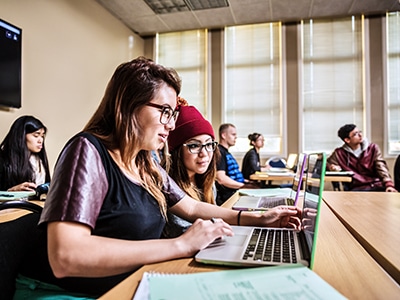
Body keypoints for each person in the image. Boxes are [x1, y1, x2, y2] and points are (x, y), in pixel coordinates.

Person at [14, 57, 301, 299]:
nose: (172, 124)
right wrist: (181, 245)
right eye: (165, 112)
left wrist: (257, 218)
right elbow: (66, 256)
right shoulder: (87, 150)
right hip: (63, 292)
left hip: (126, 285)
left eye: (173, 114)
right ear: (128, 105)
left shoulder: (144, 161)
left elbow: (190, 207)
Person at [164, 101, 219, 237]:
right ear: (177, 152)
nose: (204, 153)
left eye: (209, 144)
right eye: (194, 146)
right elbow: (181, 232)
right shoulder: (168, 187)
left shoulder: (208, 183)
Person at [327, 124, 397, 192]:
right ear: (347, 140)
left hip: (377, 185)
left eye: (359, 132)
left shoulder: (372, 148)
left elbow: (381, 167)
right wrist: (332, 167)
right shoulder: (339, 153)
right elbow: (327, 164)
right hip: (357, 189)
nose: (360, 135)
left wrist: (389, 184)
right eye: (355, 134)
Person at [0, 115, 50, 192]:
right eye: (36, 135)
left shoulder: (39, 161)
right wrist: (11, 191)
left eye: (42, 136)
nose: (41, 140)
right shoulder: (3, 160)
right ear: (21, 136)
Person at [216, 123, 258, 205]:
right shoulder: (219, 152)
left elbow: (232, 174)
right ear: (223, 135)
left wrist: (247, 182)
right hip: (230, 195)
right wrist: (243, 186)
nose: (236, 137)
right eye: (233, 134)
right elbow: (221, 179)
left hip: (238, 188)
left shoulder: (226, 152)